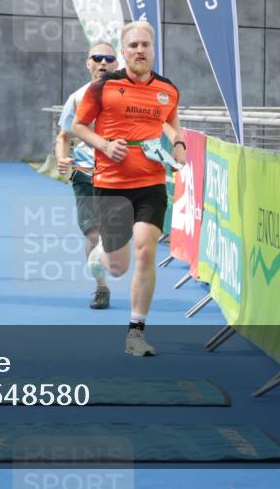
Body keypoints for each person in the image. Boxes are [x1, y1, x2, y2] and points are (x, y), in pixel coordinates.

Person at [71, 21, 185, 357]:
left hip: (151, 181)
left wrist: (177, 143)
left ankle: (136, 332)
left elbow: (172, 121)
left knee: (147, 250)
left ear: (153, 49)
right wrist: (105, 146)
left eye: (145, 45)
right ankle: (100, 253)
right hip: (111, 183)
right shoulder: (104, 87)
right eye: (133, 45)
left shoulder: (168, 89)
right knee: (117, 266)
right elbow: (79, 126)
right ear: (123, 52)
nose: (139, 50)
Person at [56, 42, 119, 309]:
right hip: (85, 174)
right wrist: (62, 158)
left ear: (117, 64)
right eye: (97, 58)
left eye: (109, 58)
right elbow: (63, 136)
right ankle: (101, 288)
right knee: (93, 234)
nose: (103, 63)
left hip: (117, 173)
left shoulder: (127, 97)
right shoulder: (76, 98)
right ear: (88, 63)